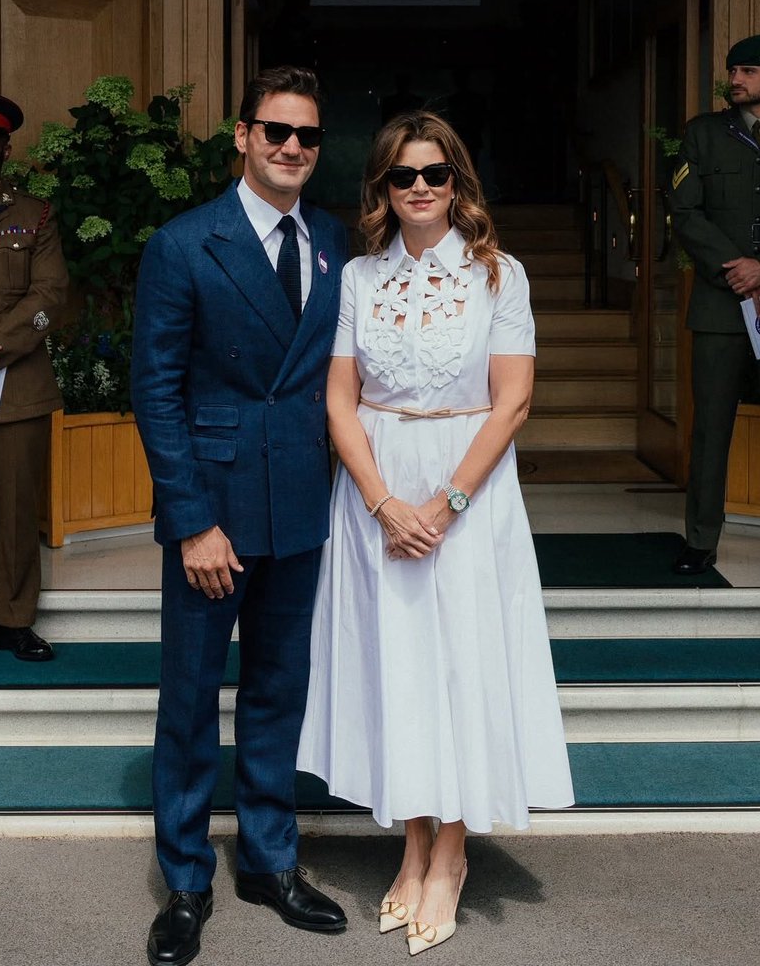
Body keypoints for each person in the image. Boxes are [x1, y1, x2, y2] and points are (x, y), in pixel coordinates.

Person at [298, 111, 574, 957]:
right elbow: (338, 399)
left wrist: (445, 504)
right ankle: (412, 839)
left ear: (459, 181)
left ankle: (450, 854)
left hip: (468, 490)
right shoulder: (355, 278)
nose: (419, 189)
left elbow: (513, 401)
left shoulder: (501, 274)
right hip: (375, 491)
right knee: (398, 667)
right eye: (402, 177)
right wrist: (384, 502)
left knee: (460, 663)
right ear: (381, 188)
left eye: (435, 175)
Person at [131, 65, 349, 966]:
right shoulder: (184, 244)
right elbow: (157, 389)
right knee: (188, 700)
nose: (291, 147)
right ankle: (186, 878)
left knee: (276, 693)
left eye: (305, 136)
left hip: (300, 500)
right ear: (242, 138)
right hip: (212, 510)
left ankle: (267, 860)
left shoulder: (336, 238)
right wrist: (191, 521)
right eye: (275, 131)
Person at [667, 36, 760, 580]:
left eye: (748, 71)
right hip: (719, 302)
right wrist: (734, 265)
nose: (736, 78)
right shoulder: (704, 134)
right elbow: (685, 212)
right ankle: (700, 540)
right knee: (710, 426)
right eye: (732, 69)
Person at [0, 91, 68, 662]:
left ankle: (12, 621)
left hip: (15, 383)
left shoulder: (35, 212)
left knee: (15, 509)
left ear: (6, 147)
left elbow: (51, 294)